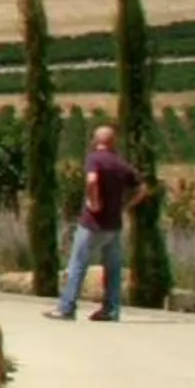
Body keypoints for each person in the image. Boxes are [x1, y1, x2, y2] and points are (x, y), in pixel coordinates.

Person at [49, 124, 145, 321]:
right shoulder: (120, 164)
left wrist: (94, 202)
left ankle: (67, 308)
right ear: (113, 142)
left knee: (78, 264)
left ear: (96, 140)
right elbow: (142, 189)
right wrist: (127, 206)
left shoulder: (94, 159)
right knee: (113, 269)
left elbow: (92, 180)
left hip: (92, 223)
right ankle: (111, 310)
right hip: (113, 225)